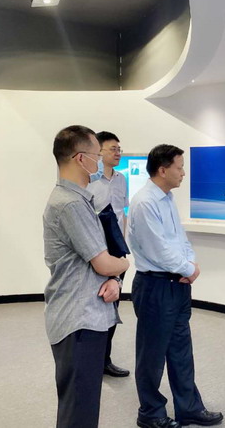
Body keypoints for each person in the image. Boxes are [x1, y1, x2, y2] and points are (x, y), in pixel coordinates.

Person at [128, 144, 223, 428]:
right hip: (155, 287)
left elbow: (180, 240)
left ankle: (189, 408)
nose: (183, 173)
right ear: (162, 170)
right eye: (179, 168)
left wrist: (191, 265)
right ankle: (150, 413)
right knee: (152, 355)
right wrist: (188, 270)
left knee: (181, 351)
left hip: (177, 285)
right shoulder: (144, 202)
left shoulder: (167, 198)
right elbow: (158, 251)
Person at [43, 125, 130, 427]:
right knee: (79, 411)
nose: (101, 161)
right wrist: (123, 266)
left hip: (86, 314)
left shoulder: (79, 200)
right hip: (78, 319)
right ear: (81, 159)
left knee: (82, 406)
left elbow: (99, 264)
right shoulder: (70, 203)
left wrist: (113, 278)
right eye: (97, 154)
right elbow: (103, 263)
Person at [87, 130, 130, 378]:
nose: (118, 153)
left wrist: (122, 250)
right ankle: (92, 360)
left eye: (119, 149)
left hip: (116, 252)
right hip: (95, 251)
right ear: (99, 151)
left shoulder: (122, 179)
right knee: (96, 306)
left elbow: (122, 215)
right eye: (113, 149)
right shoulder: (89, 179)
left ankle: (105, 359)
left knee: (113, 307)